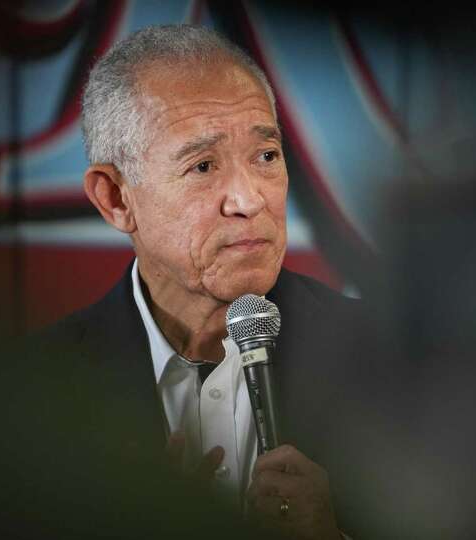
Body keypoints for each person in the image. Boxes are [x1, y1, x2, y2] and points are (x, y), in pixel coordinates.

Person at [34, 24, 373, 539]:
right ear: (116, 199)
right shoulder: (37, 390)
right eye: (203, 165)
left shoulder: (386, 358)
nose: (249, 200)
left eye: (266, 156)